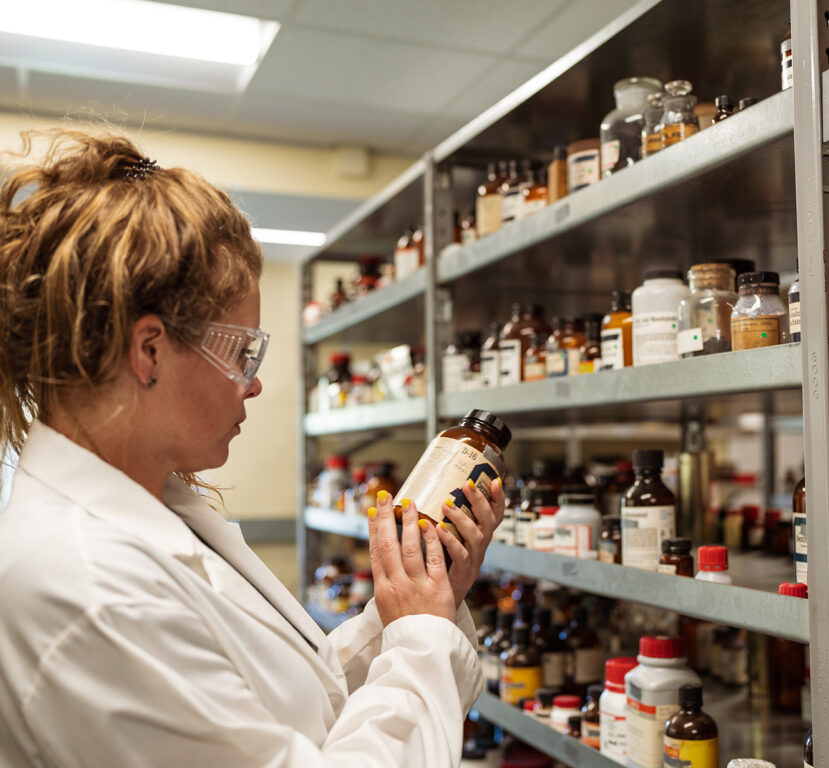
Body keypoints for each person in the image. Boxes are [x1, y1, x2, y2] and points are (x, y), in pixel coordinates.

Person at [0, 130, 504, 767]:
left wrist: (413, 603)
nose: (256, 382)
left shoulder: (163, 509)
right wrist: (421, 633)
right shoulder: (86, 588)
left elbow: (297, 705)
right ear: (149, 350)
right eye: (242, 352)